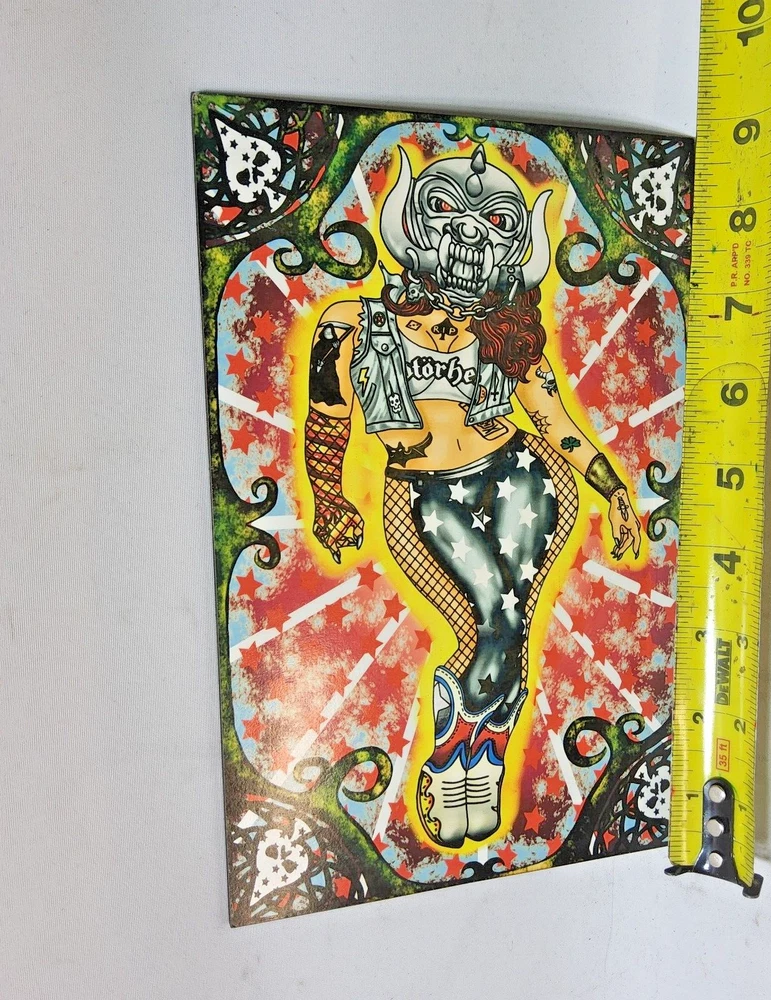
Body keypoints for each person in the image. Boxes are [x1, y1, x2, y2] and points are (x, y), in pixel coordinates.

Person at [304, 144, 641, 849]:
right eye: (448, 213)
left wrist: (612, 489)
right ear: (413, 226)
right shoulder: (351, 324)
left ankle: (472, 759)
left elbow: (555, 421)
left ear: (512, 249)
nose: (468, 237)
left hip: (521, 473)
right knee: (496, 614)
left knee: (506, 620)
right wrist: (330, 496)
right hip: (423, 494)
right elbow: (327, 419)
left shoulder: (506, 331)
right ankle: (464, 750)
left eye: (495, 223)